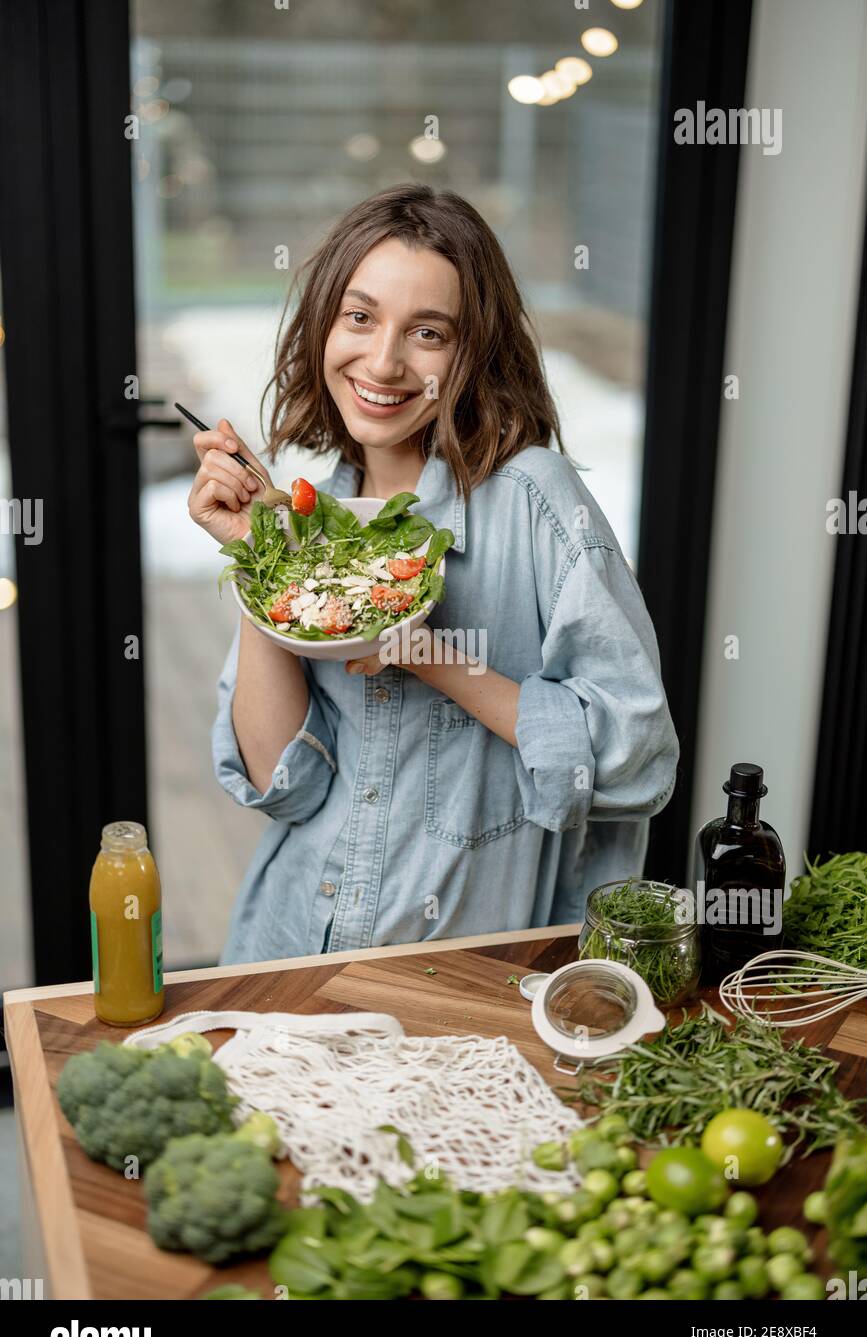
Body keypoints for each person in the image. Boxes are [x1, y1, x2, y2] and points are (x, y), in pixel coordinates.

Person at [188, 184, 679, 963]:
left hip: (464, 974)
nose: (382, 361)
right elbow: (280, 782)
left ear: (472, 350)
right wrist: (261, 558)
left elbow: (636, 757)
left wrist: (430, 656)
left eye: (427, 332)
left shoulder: (535, 500)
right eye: (359, 316)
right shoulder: (315, 509)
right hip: (291, 948)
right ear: (323, 323)